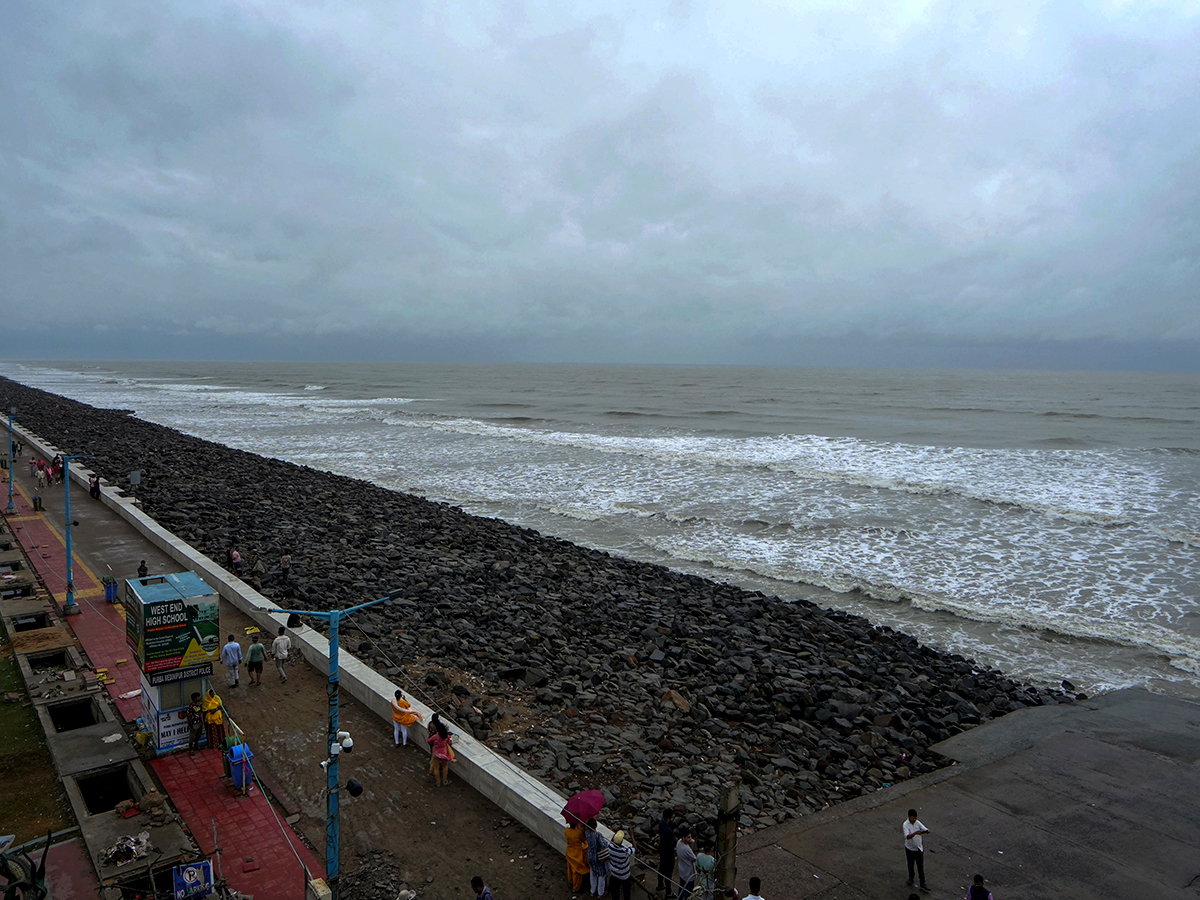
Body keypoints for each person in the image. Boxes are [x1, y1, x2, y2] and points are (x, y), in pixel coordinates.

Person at [904, 808, 931, 892]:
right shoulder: (905, 825)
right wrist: (915, 833)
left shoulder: (918, 823)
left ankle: (922, 883)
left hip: (918, 849)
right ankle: (911, 878)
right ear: (909, 817)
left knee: (920, 867)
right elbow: (907, 836)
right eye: (913, 818)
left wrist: (924, 832)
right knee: (910, 864)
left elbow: (926, 830)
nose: (915, 819)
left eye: (916, 818)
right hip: (910, 849)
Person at [606, 829, 635, 900]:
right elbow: (634, 848)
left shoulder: (609, 847)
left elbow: (611, 841)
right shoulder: (624, 851)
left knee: (615, 893)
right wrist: (632, 836)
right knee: (626, 893)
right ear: (622, 841)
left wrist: (616, 834)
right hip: (624, 875)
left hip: (614, 873)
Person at [585, 817, 609, 897]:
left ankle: (592, 890)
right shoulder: (597, 835)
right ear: (595, 826)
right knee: (601, 874)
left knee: (593, 872)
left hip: (589, 855)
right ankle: (600, 893)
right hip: (597, 856)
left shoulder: (586, 833)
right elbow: (604, 845)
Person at [563, 821, 590, 892]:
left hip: (569, 851)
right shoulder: (578, 833)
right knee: (577, 871)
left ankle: (570, 881)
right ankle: (575, 887)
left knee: (570, 867)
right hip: (577, 854)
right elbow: (584, 840)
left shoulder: (567, 830)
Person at [427, 720, 455, 786]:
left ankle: (438, 783)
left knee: (436, 768)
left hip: (435, 753)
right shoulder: (446, 736)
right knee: (445, 767)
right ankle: (445, 781)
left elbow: (429, 741)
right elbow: (449, 742)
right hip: (444, 754)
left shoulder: (435, 736)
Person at [656, 808, 677, 896]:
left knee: (661, 867)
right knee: (668, 873)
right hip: (669, 852)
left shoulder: (661, 824)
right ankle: (669, 892)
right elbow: (675, 840)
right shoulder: (669, 832)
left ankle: (660, 884)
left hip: (662, 849)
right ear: (669, 818)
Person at [676, 826, 697, 900]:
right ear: (683, 837)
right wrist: (693, 844)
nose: (690, 839)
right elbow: (694, 858)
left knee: (681, 888)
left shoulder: (679, 843)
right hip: (689, 873)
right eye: (688, 837)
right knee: (688, 892)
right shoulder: (686, 849)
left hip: (682, 870)